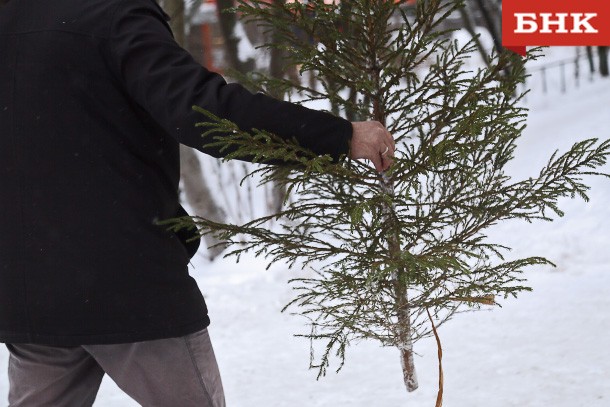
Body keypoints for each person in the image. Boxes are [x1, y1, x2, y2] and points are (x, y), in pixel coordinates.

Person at [0, 0, 394, 405]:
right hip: (127, 288)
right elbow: (205, 111)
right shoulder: (113, 14)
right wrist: (338, 135)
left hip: (29, 292)